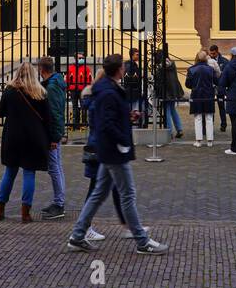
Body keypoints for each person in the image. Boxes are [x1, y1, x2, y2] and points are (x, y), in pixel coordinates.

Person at [67, 54, 166, 255]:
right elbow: (106, 123)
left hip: (107, 150)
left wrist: (127, 117)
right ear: (119, 70)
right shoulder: (109, 93)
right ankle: (142, 241)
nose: (125, 69)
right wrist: (122, 140)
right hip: (114, 151)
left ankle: (77, 236)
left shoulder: (104, 89)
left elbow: (109, 117)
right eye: (123, 67)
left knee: (98, 195)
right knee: (127, 194)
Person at [77, 81, 137, 243]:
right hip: (102, 149)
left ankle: (128, 226)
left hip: (103, 148)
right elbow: (107, 123)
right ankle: (83, 230)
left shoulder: (97, 98)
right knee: (97, 192)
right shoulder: (101, 98)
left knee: (115, 189)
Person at [0, 61, 52, 222]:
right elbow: (48, 119)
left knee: (9, 173)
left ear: (18, 73)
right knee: (29, 173)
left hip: (13, 137)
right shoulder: (39, 92)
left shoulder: (10, 91)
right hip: (33, 138)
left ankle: (0, 209)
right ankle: (25, 213)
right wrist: (51, 139)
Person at [37, 57, 68, 219]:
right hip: (53, 133)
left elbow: (55, 113)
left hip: (52, 135)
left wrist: (55, 137)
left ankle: (59, 204)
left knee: (54, 168)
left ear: (42, 70)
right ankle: (59, 201)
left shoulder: (53, 87)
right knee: (56, 167)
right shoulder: (55, 83)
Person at [185, 50, 218, 147]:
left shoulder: (191, 69)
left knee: (198, 118)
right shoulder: (211, 69)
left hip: (196, 95)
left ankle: (198, 140)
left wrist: (194, 86)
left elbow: (188, 84)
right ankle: (210, 141)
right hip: (208, 95)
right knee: (209, 117)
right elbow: (216, 81)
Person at [157, 48, 185, 141]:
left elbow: (159, 79)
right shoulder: (172, 63)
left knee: (167, 111)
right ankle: (179, 129)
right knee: (173, 110)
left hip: (166, 91)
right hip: (174, 90)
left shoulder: (161, 66)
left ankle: (169, 132)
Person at [122, 47, 147, 127]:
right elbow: (131, 79)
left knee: (134, 112)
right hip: (133, 92)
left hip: (133, 92)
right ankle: (135, 128)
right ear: (132, 55)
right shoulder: (130, 65)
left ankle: (135, 127)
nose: (139, 56)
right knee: (134, 112)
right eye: (137, 54)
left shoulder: (130, 64)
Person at [65, 52, 91, 126]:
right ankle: (75, 123)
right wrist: (68, 89)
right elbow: (67, 79)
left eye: (82, 58)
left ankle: (84, 122)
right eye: (80, 58)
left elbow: (89, 79)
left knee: (84, 106)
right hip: (73, 89)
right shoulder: (71, 68)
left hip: (83, 90)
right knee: (74, 107)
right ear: (75, 59)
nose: (81, 59)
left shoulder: (86, 68)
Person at [206, 44, 227, 133]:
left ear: (217, 52)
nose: (212, 55)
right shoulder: (208, 61)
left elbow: (226, 74)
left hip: (220, 86)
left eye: (213, 54)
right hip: (211, 86)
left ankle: (223, 124)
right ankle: (211, 124)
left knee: (221, 106)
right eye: (210, 54)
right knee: (210, 106)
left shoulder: (224, 61)